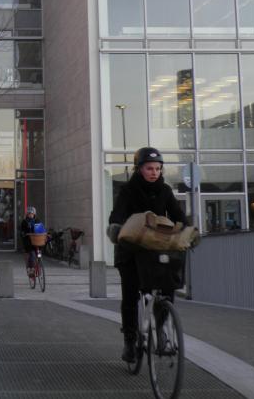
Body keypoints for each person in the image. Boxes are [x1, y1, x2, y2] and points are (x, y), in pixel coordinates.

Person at [107, 146, 187, 363]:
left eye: (158, 168)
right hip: (131, 250)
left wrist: (186, 230)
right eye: (149, 168)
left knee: (167, 287)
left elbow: (179, 216)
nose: (154, 172)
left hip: (155, 249)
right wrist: (116, 228)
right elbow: (117, 215)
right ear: (139, 168)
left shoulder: (165, 191)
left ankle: (160, 329)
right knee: (130, 295)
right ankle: (130, 340)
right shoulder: (128, 190)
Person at [20, 206, 42, 274]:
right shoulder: (24, 221)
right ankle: (31, 268)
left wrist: (44, 233)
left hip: (36, 240)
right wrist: (23, 233)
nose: (30, 215)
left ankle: (39, 264)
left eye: (32, 214)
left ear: (34, 214)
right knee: (31, 253)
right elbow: (22, 230)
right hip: (28, 241)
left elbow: (41, 228)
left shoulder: (37, 220)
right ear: (27, 214)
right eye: (29, 214)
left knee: (39, 252)